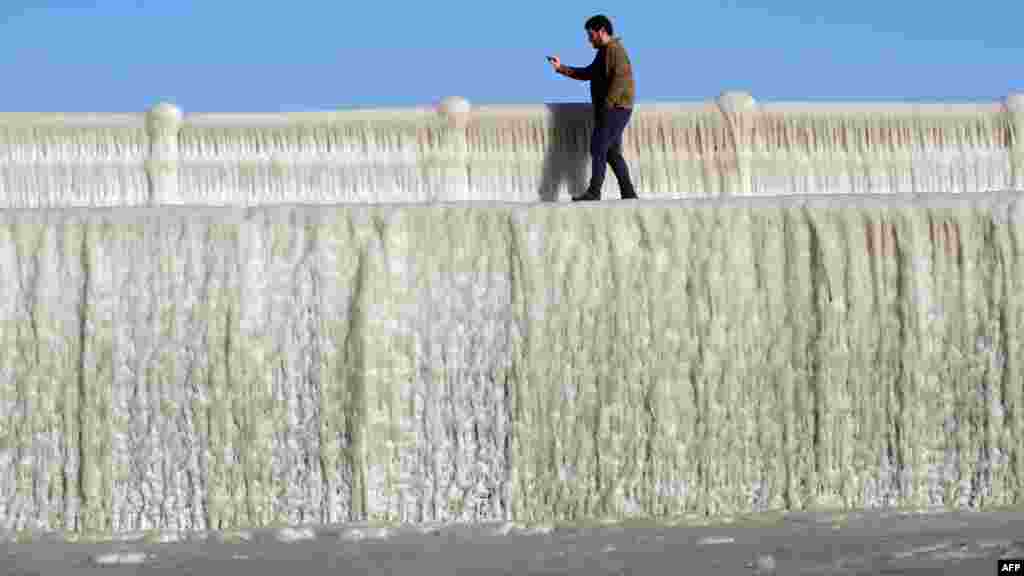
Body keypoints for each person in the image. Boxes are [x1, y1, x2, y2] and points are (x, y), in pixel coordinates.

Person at [548, 14, 638, 201]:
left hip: (616, 108)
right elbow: (587, 73)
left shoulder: (615, 51)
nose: (588, 39)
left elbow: (620, 79)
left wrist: (607, 105)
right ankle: (629, 194)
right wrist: (561, 68)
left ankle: (594, 192)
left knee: (598, 147)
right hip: (614, 108)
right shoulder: (604, 52)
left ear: (601, 31)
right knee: (611, 152)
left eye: (590, 34)